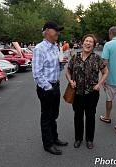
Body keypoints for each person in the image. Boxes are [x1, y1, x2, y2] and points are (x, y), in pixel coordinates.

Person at [66, 34, 108, 149]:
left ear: (93, 45)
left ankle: (89, 139)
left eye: (90, 42)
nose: (88, 43)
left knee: (90, 116)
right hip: (77, 93)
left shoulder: (97, 58)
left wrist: (99, 84)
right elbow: (68, 71)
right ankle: (78, 138)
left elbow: (105, 72)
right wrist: (70, 81)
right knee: (78, 116)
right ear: (82, 42)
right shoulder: (75, 57)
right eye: (86, 41)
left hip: (91, 93)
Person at [32, 21, 68, 155]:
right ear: (47, 31)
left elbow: (57, 67)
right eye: (56, 30)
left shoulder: (55, 47)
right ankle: (48, 144)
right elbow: (36, 73)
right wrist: (49, 88)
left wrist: (61, 64)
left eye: (59, 31)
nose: (58, 33)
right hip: (46, 88)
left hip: (55, 85)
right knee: (47, 116)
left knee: (54, 115)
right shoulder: (39, 49)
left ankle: (54, 138)